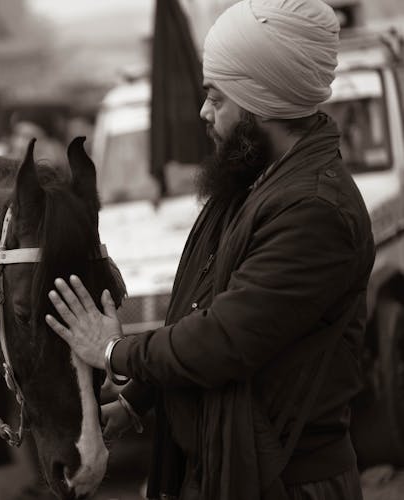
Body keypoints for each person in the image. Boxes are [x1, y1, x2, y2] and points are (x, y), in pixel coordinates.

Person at [45, 1, 373, 499]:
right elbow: (200, 311)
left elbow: (223, 341)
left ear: (260, 101)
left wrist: (114, 350)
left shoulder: (315, 210)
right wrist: (136, 402)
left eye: (216, 99)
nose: (203, 113)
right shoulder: (256, 183)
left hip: (287, 483)